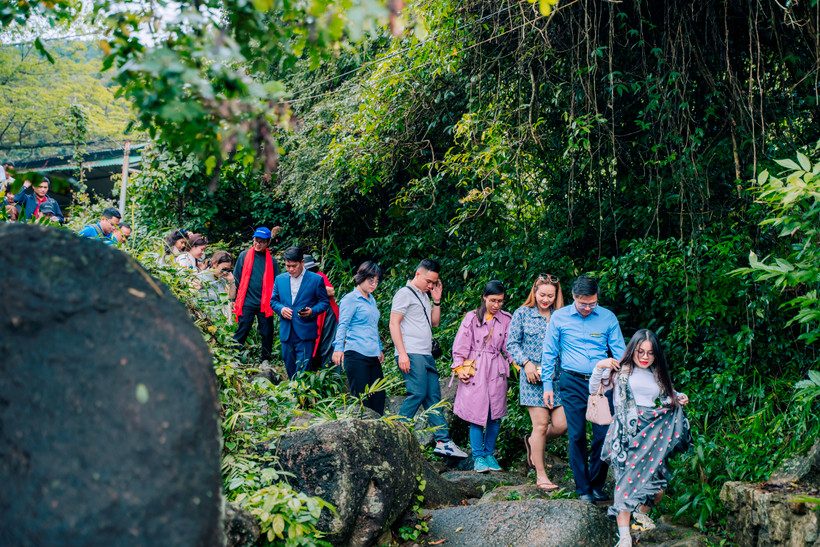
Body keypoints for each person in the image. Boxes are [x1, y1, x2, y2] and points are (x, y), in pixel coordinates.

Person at [590, 329, 692, 547]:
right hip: (624, 433)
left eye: (650, 353)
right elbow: (594, 389)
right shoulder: (620, 371)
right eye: (640, 352)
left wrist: (679, 397)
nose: (645, 357)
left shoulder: (657, 375)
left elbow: (667, 398)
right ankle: (624, 537)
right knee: (624, 485)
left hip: (650, 435)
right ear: (632, 350)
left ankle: (640, 513)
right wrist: (599, 367)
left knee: (657, 490)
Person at [541, 275, 626, 502]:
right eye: (583, 303)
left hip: (602, 383)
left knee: (604, 435)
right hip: (572, 382)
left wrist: (626, 383)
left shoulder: (608, 317)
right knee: (577, 434)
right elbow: (549, 353)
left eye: (592, 303)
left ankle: (597, 484)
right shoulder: (559, 318)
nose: (588, 308)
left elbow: (620, 352)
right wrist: (547, 385)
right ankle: (583, 489)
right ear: (573, 297)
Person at [390, 258, 467, 459]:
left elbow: (434, 323)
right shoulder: (403, 294)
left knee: (433, 398)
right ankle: (395, 432)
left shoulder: (424, 295)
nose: (431, 285)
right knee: (417, 392)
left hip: (426, 353)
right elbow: (393, 324)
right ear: (417, 274)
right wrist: (403, 353)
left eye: (434, 282)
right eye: (428, 281)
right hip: (411, 353)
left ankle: (443, 441)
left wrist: (437, 299)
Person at [506, 274, 567, 490]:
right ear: (534, 291)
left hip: (556, 378)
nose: (546, 299)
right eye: (542, 294)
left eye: (551, 295)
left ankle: (532, 441)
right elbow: (512, 343)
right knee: (540, 425)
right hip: (532, 377)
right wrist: (526, 363)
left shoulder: (561, 316)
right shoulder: (522, 313)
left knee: (561, 425)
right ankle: (541, 475)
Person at [452, 280, 513, 473]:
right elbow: (460, 346)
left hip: (496, 369)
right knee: (477, 416)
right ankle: (478, 457)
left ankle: (489, 454)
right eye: (493, 300)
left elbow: (509, 347)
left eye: (500, 301)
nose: (496, 305)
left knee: (495, 416)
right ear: (484, 297)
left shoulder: (506, 319)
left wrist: (519, 363)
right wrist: (459, 368)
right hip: (476, 368)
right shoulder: (471, 318)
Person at [332, 261, 386, 414]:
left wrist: (379, 347)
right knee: (363, 400)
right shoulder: (350, 299)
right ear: (361, 277)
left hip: (372, 354)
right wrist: (338, 348)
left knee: (379, 396)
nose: (374, 284)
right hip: (356, 354)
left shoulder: (372, 299)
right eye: (371, 280)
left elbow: (372, 326)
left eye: (376, 281)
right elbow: (342, 324)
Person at [271, 246, 330, 379]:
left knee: (303, 368)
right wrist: (281, 309)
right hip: (287, 331)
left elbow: (324, 302)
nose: (291, 269)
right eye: (287, 266)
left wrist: (312, 311)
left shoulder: (316, 279)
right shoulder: (280, 279)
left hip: (305, 331)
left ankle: (301, 396)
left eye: (294, 266)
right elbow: (273, 301)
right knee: (289, 366)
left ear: (302, 263)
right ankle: (293, 393)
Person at [233, 227, 280, 366]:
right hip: (247, 300)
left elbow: (277, 282)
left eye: (261, 241)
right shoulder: (244, 256)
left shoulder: (272, 261)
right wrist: (233, 299)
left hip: (265, 303)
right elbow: (236, 278)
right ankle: (234, 357)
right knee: (243, 328)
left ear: (268, 243)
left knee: (267, 331)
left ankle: (265, 359)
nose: (257, 244)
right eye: (255, 240)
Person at [305, 254, 340, 371]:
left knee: (329, 344)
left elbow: (331, 291)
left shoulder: (319, 276)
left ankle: (332, 375)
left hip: (328, 314)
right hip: (315, 315)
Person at [198, 250, 236, 320]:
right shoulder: (201, 277)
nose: (225, 272)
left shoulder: (222, 279)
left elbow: (231, 296)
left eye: (227, 270)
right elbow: (189, 296)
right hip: (204, 318)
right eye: (223, 269)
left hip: (218, 319)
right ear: (214, 264)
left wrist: (232, 281)